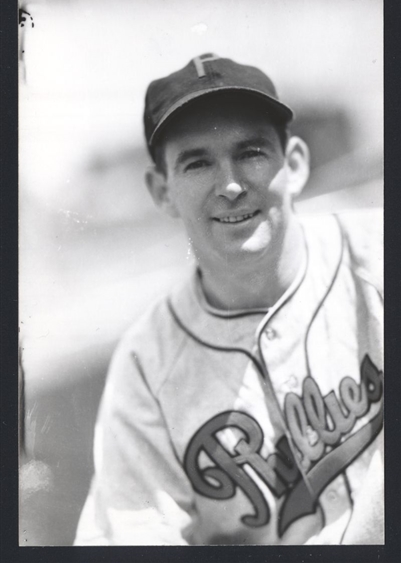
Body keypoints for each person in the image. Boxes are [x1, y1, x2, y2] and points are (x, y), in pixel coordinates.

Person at [74, 54, 383, 545]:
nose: (232, 185)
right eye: (197, 163)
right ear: (162, 192)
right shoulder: (147, 366)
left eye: (252, 152)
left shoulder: (379, 258)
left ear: (296, 165)